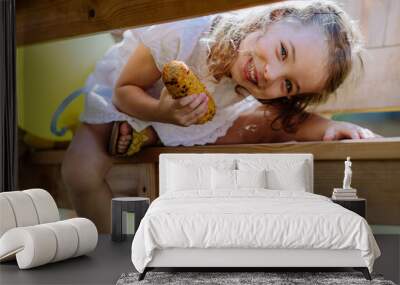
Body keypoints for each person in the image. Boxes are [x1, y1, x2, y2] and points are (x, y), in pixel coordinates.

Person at [62, 0, 379, 232]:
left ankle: (147, 135)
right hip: (129, 97)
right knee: (80, 171)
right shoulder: (184, 32)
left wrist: (332, 127)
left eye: (288, 84)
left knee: (255, 126)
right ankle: (111, 255)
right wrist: (160, 112)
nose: (270, 74)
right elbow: (123, 90)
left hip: (182, 120)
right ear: (274, 15)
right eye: (283, 51)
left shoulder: (253, 82)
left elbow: (286, 123)